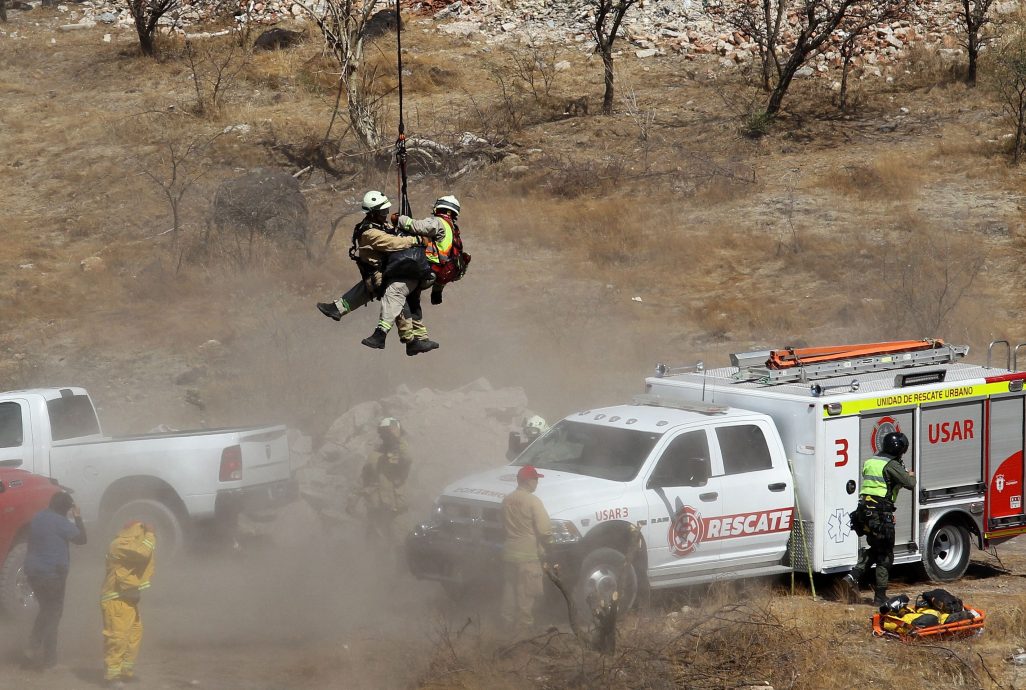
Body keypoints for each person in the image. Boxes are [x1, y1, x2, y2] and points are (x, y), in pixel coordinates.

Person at [316, 190, 439, 355]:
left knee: (379, 291)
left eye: (386, 210)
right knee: (396, 295)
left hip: (382, 272)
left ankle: (337, 308)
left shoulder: (379, 226)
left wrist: (403, 223)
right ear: (372, 213)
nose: (385, 214)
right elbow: (392, 243)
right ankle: (406, 340)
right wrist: (416, 240)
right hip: (381, 275)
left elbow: (393, 233)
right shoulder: (370, 233)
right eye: (382, 212)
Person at [840, 431, 916, 606]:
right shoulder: (892, 464)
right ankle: (880, 596)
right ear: (899, 449)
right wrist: (910, 474)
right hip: (880, 514)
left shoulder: (870, 461)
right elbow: (910, 483)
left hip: (863, 513)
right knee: (885, 554)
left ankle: (853, 576)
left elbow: (879, 483)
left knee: (877, 548)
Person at [23, 491, 86, 670]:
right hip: (52, 575)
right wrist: (78, 516)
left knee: (46, 610)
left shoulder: (38, 517)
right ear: (66, 509)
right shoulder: (61, 522)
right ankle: (49, 661)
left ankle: (31, 648)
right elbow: (82, 539)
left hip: (32, 572)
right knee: (53, 615)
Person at [347, 417, 413, 558]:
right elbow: (364, 477)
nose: (384, 436)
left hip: (395, 510)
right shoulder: (375, 454)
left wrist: (397, 439)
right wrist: (353, 498)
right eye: (383, 432)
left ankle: (397, 570)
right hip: (376, 508)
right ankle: (374, 569)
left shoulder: (399, 452)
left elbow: (407, 458)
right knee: (374, 545)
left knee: (399, 545)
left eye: (388, 432)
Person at [101, 521, 156, 688]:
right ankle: (112, 676)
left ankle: (125, 671)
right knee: (117, 638)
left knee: (134, 635)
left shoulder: (128, 545)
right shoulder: (118, 544)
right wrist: (150, 534)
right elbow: (143, 553)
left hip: (127, 599)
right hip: (115, 599)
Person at [392, 194, 464, 315]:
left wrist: (399, 220)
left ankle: (386, 326)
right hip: (434, 275)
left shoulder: (438, 222)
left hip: (424, 270)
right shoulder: (453, 229)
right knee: (413, 301)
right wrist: (438, 289)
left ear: (439, 208)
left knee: (395, 293)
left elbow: (417, 226)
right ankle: (418, 326)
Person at [500, 465, 552, 634]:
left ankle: (506, 624)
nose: (537, 482)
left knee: (509, 588)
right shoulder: (533, 501)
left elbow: (502, 526)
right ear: (528, 481)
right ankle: (524, 628)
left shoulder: (507, 500)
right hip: (528, 555)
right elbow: (545, 530)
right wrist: (548, 543)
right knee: (526, 593)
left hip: (509, 553)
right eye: (535, 479)